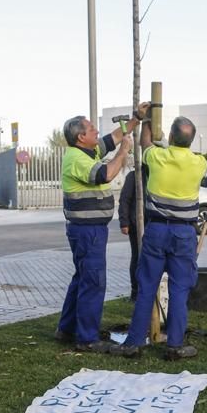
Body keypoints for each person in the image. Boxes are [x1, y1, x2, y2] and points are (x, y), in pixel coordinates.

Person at [112, 115, 207, 360]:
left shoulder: (157, 157)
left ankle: (133, 343)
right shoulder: (200, 163)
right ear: (192, 140)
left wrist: (148, 119)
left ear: (172, 137)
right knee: (179, 289)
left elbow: (146, 142)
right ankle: (174, 345)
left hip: (156, 230)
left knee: (146, 288)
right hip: (184, 233)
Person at [56, 105, 146, 351]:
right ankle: (86, 338)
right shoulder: (77, 159)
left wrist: (135, 118)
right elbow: (106, 174)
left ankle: (66, 328)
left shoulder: (88, 151)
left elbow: (114, 137)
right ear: (80, 137)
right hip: (87, 231)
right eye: (91, 127)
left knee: (82, 278)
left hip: (89, 229)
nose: (97, 130)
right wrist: (124, 152)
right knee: (93, 282)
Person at [118, 164, 147, 302]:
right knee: (137, 256)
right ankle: (135, 292)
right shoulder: (134, 176)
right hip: (137, 224)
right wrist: (124, 222)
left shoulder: (159, 173)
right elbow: (124, 199)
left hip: (154, 224)